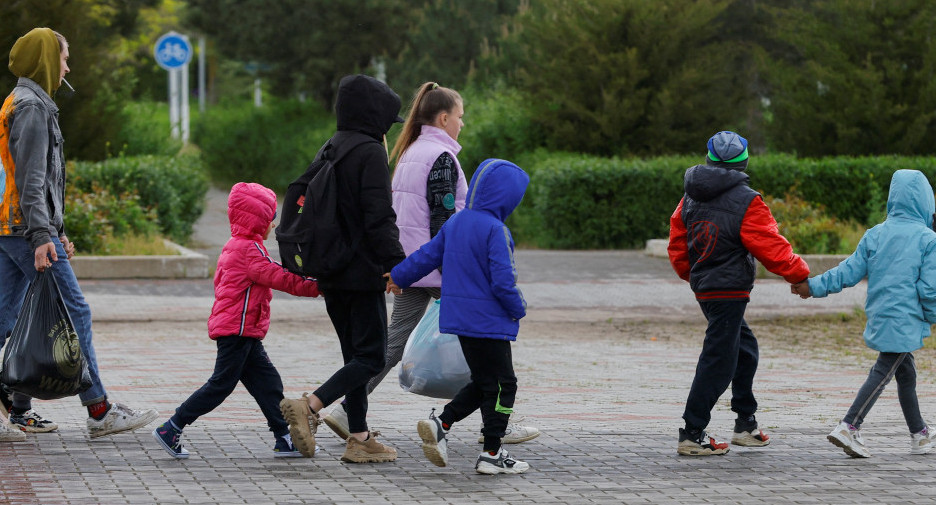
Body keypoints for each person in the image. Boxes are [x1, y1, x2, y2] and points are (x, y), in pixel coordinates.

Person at [320, 81, 539, 446]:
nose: (462, 124)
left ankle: (346, 409)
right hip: (439, 266)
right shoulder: (441, 157)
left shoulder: (410, 150)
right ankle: (499, 419)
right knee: (488, 338)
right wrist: (456, 269)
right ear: (443, 117)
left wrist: (402, 270)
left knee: (391, 345)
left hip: (412, 262)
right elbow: (444, 219)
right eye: (459, 116)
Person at [0, 27, 157, 438]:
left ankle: (17, 408)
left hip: (11, 227)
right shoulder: (33, 107)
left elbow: (27, 180)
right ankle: (100, 410)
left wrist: (54, 228)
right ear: (48, 60)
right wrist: (43, 236)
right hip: (25, 231)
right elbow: (33, 182)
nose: (68, 66)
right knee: (73, 312)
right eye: (64, 57)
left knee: (6, 319)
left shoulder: (19, 101)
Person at [279, 74, 406, 464]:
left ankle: (360, 438)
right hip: (360, 271)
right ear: (376, 116)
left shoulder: (331, 146)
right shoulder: (369, 152)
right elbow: (379, 218)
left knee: (356, 354)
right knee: (371, 357)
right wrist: (397, 267)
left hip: (329, 270)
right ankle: (311, 405)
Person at [152, 182, 320, 459]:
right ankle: (172, 426)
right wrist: (316, 286)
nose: (273, 225)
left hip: (245, 332)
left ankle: (283, 437)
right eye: (270, 219)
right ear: (257, 219)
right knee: (221, 384)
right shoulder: (249, 251)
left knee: (268, 383)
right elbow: (279, 277)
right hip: (237, 332)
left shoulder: (238, 246)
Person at [667, 131, 809, 456]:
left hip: (707, 288)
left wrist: (695, 276)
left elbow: (677, 244)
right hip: (729, 290)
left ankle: (745, 423)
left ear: (708, 159)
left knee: (745, 349)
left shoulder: (688, 198)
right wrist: (800, 274)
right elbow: (771, 246)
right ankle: (692, 433)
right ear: (744, 162)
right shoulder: (748, 201)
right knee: (718, 360)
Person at [387, 158, 532, 475]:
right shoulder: (496, 230)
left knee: (484, 383)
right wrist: (518, 308)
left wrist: (399, 275)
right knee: (504, 384)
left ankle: (442, 423)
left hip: (459, 321)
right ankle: (491, 452)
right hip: (490, 323)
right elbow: (503, 281)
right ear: (507, 197)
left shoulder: (456, 222)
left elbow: (426, 255)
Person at [792, 169, 936, 458]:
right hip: (905, 317)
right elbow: (930, 289)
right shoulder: (928, 239)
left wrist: (813, 286)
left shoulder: (876, 234)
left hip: (882, 313)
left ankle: (919, 434)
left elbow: (847, 271)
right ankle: (849, 426)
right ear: (925, 201)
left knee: (905, 373)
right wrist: (932, 316)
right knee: (883, 372)